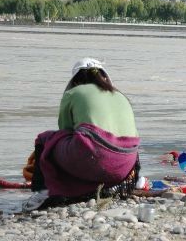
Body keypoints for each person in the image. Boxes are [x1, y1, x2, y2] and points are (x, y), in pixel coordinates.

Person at [23, 58, 140, 211]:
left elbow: (64, 129)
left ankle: (42, 192)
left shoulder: (73, 93)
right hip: (124, 165)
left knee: (45, 139)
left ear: (75, 80)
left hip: (94, 158)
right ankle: (108, 187)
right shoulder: (121, 96)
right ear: (104, 77)